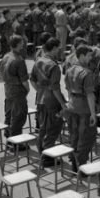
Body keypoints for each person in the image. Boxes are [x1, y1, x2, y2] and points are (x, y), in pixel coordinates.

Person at [30, 38, 66, 166]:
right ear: (54, 48)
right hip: (51, 101)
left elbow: (32, 79)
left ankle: (42, 153)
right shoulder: (54, 66)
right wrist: (63, 104)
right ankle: (47, 158)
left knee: (43, 128)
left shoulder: (38, 61)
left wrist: (40, 90)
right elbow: (55, 88)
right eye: (59, 48)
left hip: (40, 98)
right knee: (54, 128)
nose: (60, 50)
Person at [64, 44, 97, 171]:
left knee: (74, 135)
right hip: (84, 108)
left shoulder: (69, 70)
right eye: (88, 56)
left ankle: (74, 163)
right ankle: (81, 166)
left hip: (72, 105)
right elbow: (90, 95)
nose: (90, 58)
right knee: (86, 137)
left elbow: (68, 89)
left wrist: (70, 103)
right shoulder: (86, 73)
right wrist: (93, 114)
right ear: (82, 56)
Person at [0, 35, 30, 139]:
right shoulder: (19, 60)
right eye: (21, 42)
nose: (23, 44)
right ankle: (15, 141)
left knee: (9, 113)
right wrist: (27, 90)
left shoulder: (6, 56)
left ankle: (8, 133)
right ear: (17, 44)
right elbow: (24, 81)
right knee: (19, 116)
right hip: (18, 90)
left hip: (8, 88)